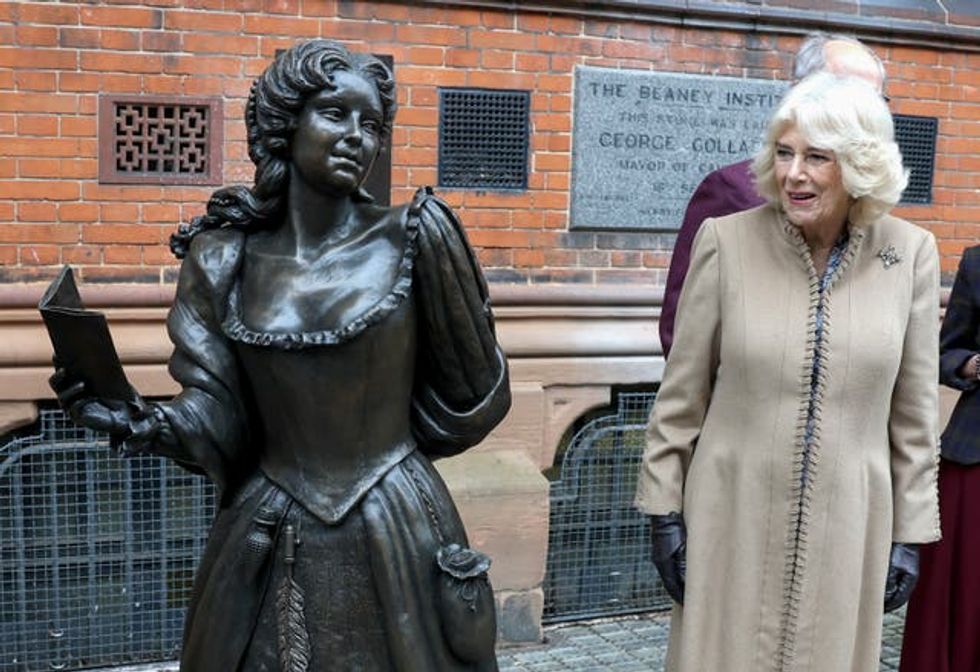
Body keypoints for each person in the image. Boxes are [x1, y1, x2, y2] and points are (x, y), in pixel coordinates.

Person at [48, 40, 509, 672]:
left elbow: (475, 397)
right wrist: (136, 417)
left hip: (395, 520)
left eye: (371, 124)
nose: (357, 137)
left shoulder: (415, 237)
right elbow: (218, 415)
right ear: (284, 126)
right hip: (267, 532)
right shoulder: (223, 260)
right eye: (334, 114)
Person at [634, 71, 940, 671]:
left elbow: (914, 414)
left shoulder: (909, 255)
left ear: (859, 166)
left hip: (851, 520)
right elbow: (681, 396)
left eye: (816, 157)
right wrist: (663, 511)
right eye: (784, 152)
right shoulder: (726, 241)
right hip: (730, 510)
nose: (793, 173)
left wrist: (910, 533)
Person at [659, 32, 887, 357]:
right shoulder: (733, 189)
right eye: (844, 90)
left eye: (875, 98)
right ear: (799, 94)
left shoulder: (874, 206)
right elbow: (682, 330)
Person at [900, 245, 980, 672]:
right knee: (963, 598)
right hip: (975, 458)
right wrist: (973, 365)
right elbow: (946, 353)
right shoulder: (978, 263)